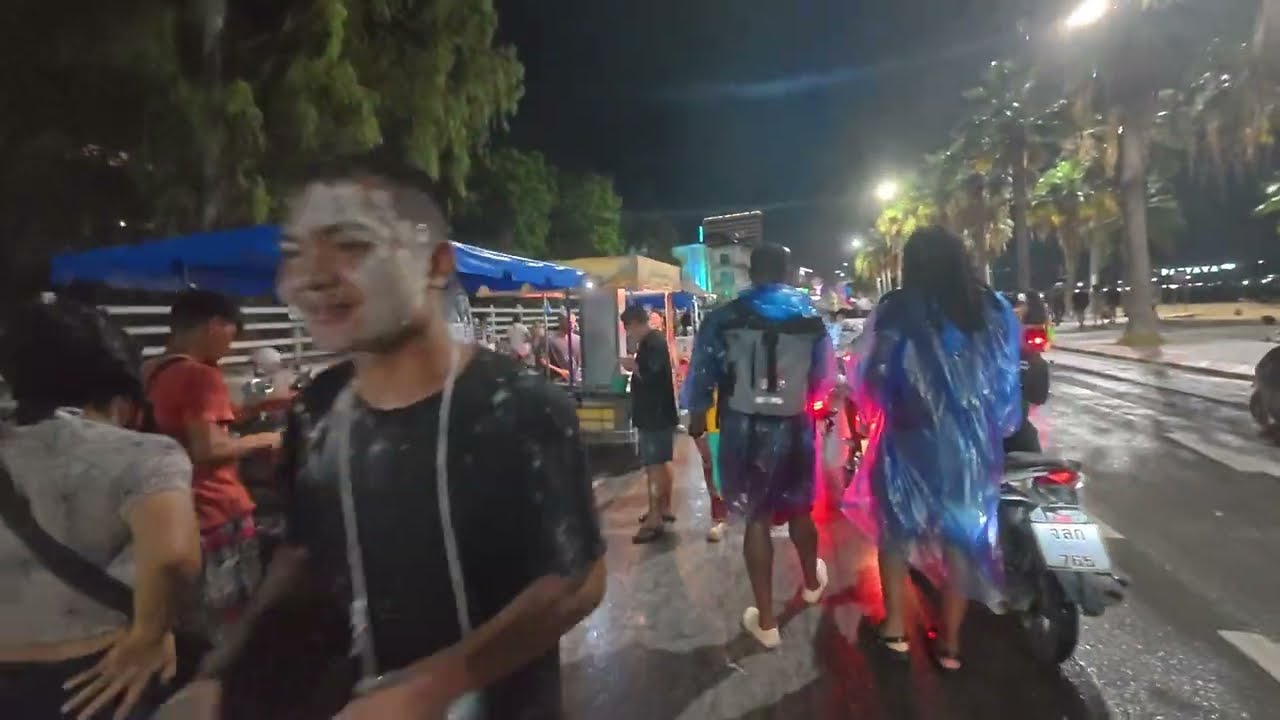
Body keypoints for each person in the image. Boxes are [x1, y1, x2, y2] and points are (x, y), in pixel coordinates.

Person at [159, 151, 606, 719]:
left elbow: (578, 580)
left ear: (436, 265)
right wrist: (221, 673)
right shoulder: (317, 410)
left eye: (351, 244)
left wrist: (427, 689)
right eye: (296, 252)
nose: (313, 275)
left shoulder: (520, 405)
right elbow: (300, 554)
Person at [0, 299, 203, 719]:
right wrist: (150, 631)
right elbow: (174, 557)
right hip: (96, 675)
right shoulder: (142, 453)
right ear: (121, 396)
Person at [844, 226, 1021, 671]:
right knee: (962, 540)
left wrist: (880, 404)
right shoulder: (991, 307)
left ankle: (896, 629)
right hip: (970, 450)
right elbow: (1005, 384)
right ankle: (951, 643)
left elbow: (873, 376)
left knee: (896, 532)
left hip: (908, 438)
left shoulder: (899, 309)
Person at [683, 244, 834, 648]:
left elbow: (702, 373)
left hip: (743, 427)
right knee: (801, 508)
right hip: (794, 424)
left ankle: (766, 622)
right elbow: (824, 380)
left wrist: (697, 414)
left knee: (756, 517)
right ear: (787, 272)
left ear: (752, 272)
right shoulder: (810, 318)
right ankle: (810, 581)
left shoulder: (724, 317)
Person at [143, 290, 280, 640]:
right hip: (218, 510)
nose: (230, 347)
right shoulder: (201, 376)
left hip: (173, 509)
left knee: (192, 616)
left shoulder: (151, 372)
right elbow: (208, 448)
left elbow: (180, 428)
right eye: (232, 335)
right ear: (216, 325)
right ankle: (227, 680)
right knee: (234, 617)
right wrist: (269, 439)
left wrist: (256, 409)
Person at [621, 306, 679, 544]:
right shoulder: (654, 342)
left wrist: (632, 366)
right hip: (660, 415)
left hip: (654, 416)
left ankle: (655, 518)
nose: (629, 333)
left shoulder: (652, 343)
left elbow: (652, 375)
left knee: (653, 466)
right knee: (661, 463)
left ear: (635, 323)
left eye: (628, 328)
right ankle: (663, 508)